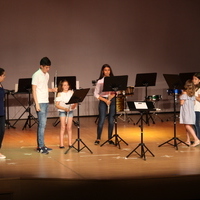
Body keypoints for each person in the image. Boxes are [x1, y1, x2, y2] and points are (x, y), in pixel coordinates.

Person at [32, 57, 57, 154]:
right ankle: (40, 146)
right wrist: (37, 104)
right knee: (41, 125)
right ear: (41, 66)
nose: (48, 69)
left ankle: (42, 144)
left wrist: (52, 90)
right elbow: (34, 90)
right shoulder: (36, 75)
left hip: (45, 101)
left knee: (44, 124)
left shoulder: (47, 75)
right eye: (46, 67)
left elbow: (44, 88)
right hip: (40, 102)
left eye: (49, 67)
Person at [94, 64, 116, 145]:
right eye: (105, 70)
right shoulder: (100, 82)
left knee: (111, 120)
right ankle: (98, 138)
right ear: (103, 71)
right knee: (102, 120)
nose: (107, 71)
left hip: (112, 100)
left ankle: (110, 138)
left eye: (108, 70)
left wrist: (112, 97)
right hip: (103, 100)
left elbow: (117, 91)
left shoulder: (114, 80)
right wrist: (105, 100)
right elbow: (96, 94)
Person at [55, 80, 77, 148]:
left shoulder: (71, 92)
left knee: (69, 127)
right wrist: (64, 109)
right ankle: (61, 144)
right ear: (62, 86)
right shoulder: (60, 93)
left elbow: (75, 101)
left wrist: (74, 105)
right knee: (63, 127)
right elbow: (57, 105)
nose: (66, 86)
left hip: (70, 111)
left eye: (67, 85)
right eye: (64, 85)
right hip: (63, 111)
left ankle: (70, 143)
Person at [179, 79, 200, 147]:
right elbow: (194, 103)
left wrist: (181, 96)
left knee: (187, 126)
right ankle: (188, 140)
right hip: (191, 112)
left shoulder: (184, 94)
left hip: (186, 112)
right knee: (188, 125)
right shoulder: (192, 94)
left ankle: (196, 139)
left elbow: (182, 103)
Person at [0, 68, 6, 159]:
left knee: (1, 131)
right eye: (4, 75)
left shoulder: (1, 85)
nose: (4, 77)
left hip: (1, 111)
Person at [192, 73, 200, 139]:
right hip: (193, 109)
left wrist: (193, 96)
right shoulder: (195, 88)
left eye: (195, 79)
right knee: (194, 124)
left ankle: (198, 138)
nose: (193, 80)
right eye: (193, 79)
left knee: (197, 124)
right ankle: (196, 139)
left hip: (198, 109)